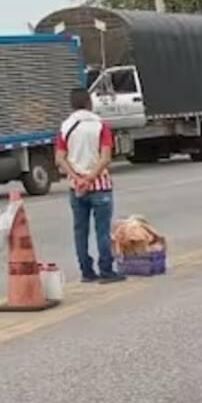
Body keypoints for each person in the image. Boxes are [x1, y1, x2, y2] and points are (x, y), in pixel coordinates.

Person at [55, 88, 124, 284]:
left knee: (80, 230)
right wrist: (90, 178)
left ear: (71, 104)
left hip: (76, 188)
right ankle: (106, 271)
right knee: (102, 230)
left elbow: (59, 158)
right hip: (100, 185)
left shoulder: (65, 127)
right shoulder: (100, 126)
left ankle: (86, 271)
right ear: (89, 103)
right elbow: (105, 158)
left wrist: (76, 178)